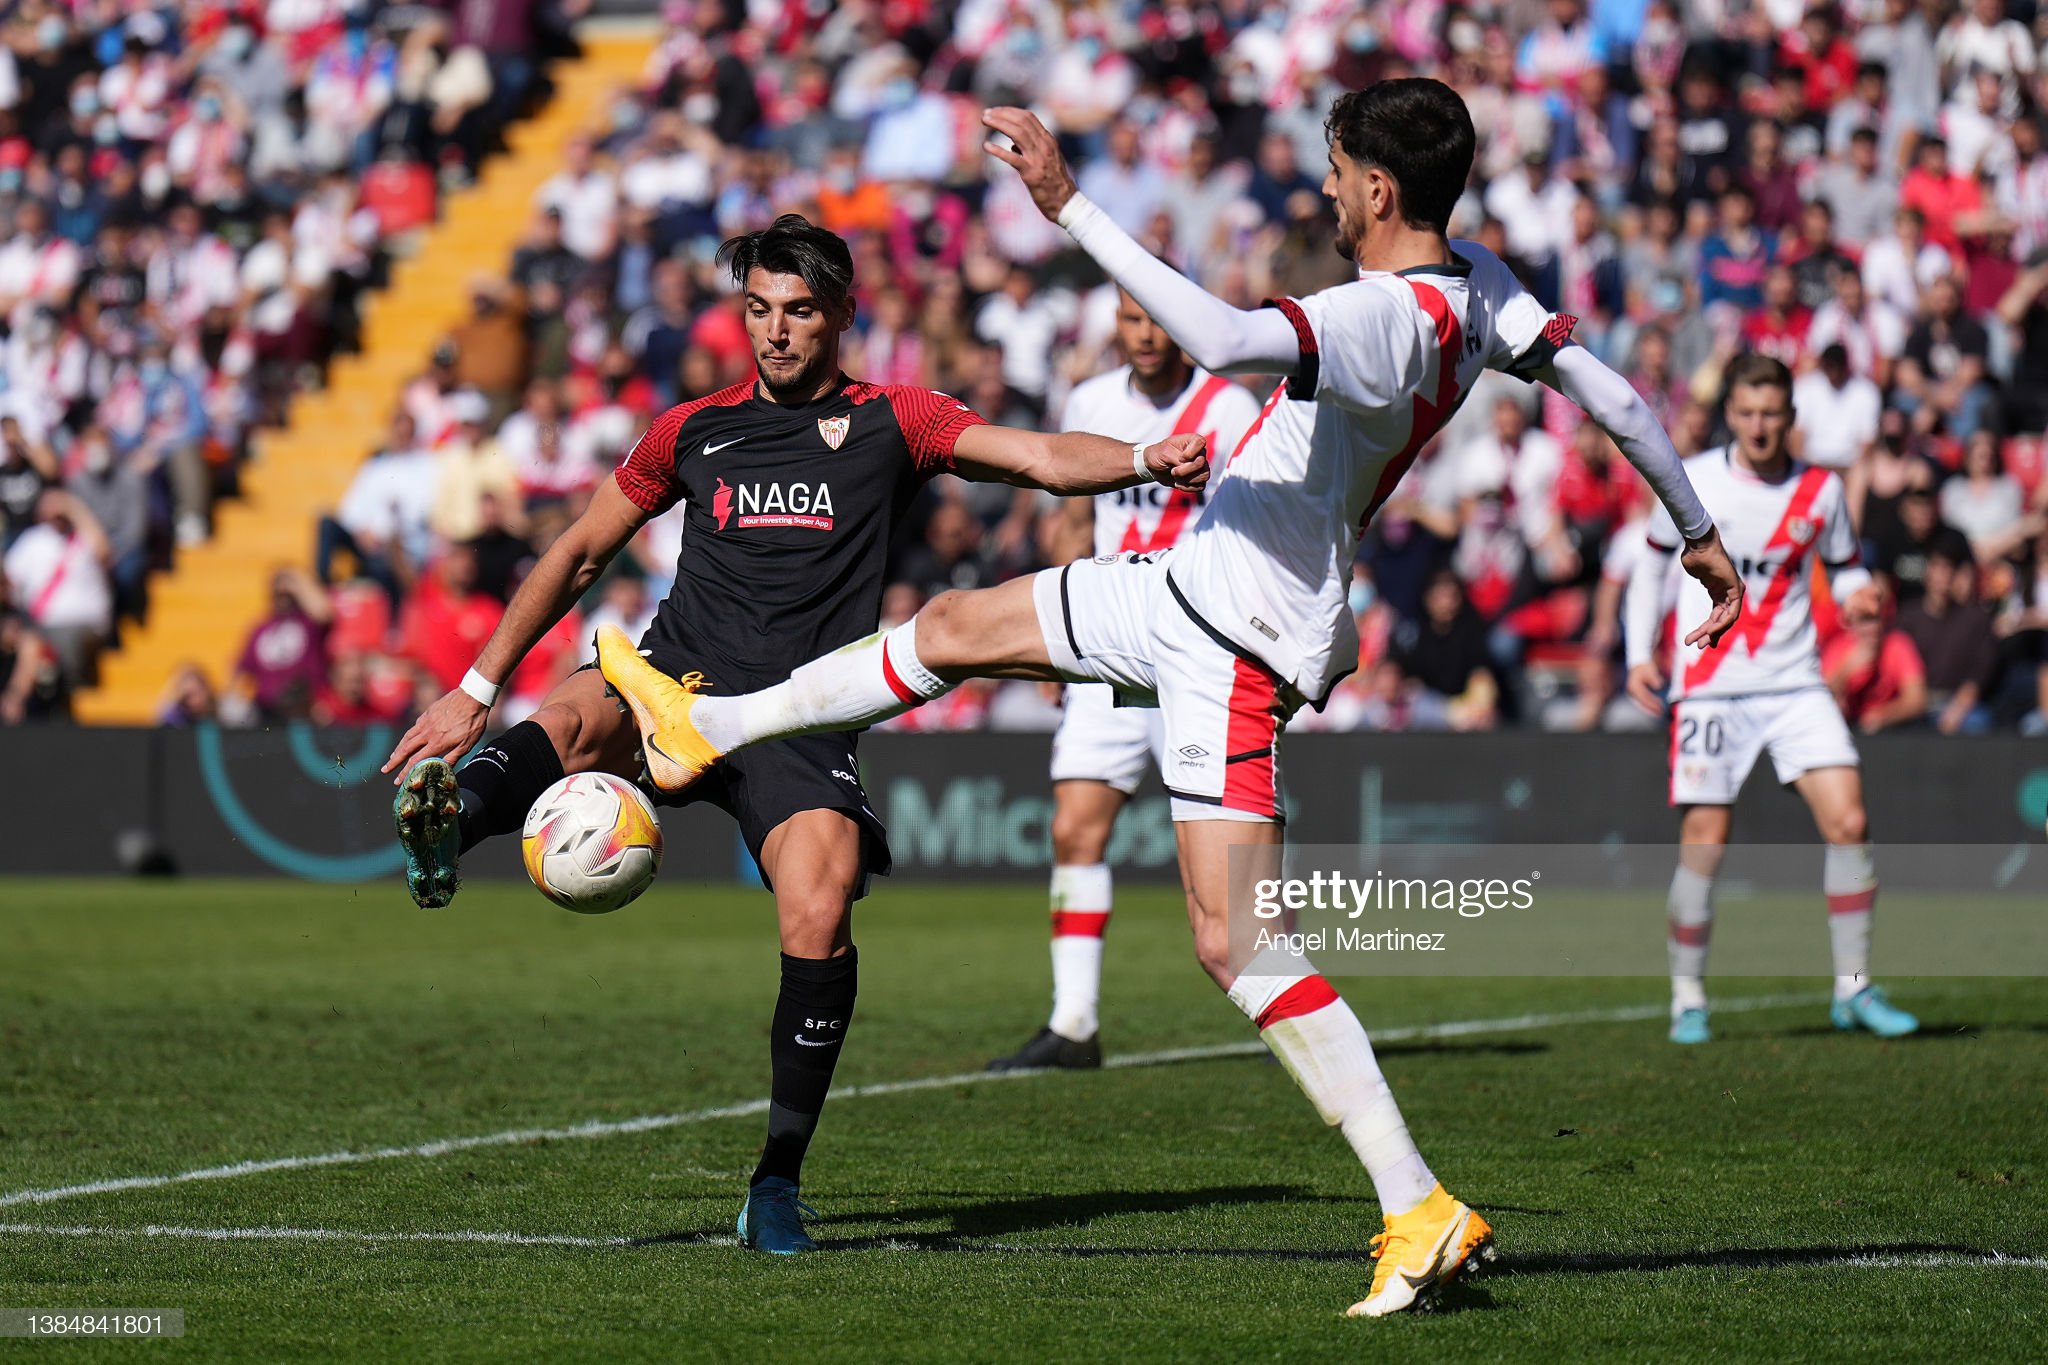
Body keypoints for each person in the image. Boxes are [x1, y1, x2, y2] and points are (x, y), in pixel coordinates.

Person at [589, 84, 1742, 1317]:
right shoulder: (1483, 287)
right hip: (1191, 589)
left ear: (1377, 192)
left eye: (1336, 172)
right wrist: (1699, 532)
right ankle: (709, 721)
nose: (1325, 192)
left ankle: (1415, 1205)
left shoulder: (1379, 318)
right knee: (951, 629)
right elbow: (1615, 398)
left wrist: (1065, 202)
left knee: (1234, 939)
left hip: (1237, 641)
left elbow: (1222, 341)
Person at [378, 215, 1210, 1257]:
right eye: (759, 310)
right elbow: (582, 548)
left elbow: (1036, 456)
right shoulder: (689, 430)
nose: (775, 333)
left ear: (842, 316)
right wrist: (472, 685)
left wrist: (1142, 454)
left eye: (799, 312)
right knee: (576, 710)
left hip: (798, 715)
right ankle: (451, 834)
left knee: (820, 905)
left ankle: (776, 1178)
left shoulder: (891, 419)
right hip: (669, 683)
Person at [986, 286, 1261, 1073]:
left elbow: (1253, 528)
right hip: (1107, 642)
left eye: (1158, 322)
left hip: (1199, 655)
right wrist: (1059, 636)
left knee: (1229, 859)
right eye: (1132, 321)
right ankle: (1074, 1023)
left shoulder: (1228, 407)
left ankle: (1285, 1002)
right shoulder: (1092, 398)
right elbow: (1073, 515)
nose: (1145, 336)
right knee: (1075, 826)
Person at [1624, 354, 1919, 1049]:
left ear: (1791, 418)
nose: (1759, 426)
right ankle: (1688, 998)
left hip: (1795, 680)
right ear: (1731, 413)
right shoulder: (1693, 477)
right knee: (1705, 841)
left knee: (1849, 821)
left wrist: (1859, 598)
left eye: (1772, 414)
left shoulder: (1821, 490)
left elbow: (1845, 571)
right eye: (1747, 412)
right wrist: (1639, 653)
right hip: (1710, 682)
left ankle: (1855, 989)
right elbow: (1647, 566)